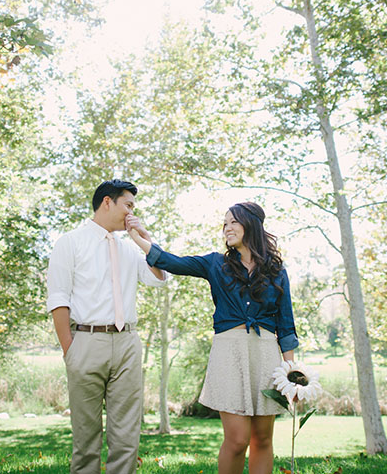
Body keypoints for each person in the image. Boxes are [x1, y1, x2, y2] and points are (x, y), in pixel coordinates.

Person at [127, 201, 298, 474]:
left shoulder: (276, 271)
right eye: (225, 223)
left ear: (251, 224)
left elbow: (286, 326)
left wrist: (292, 375)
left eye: (233, 222)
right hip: (228, 354)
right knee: (238, 439)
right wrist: (141, 241)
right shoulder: (215, 264)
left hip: (266, 355)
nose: (227, 228)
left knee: (263, 439)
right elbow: (174, 262)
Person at [47, 179, 167, 474]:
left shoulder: (129, 249)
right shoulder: (70, 242)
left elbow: (158, 278)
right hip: (86, 342)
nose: (132, 213)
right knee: (86, 438)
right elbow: (58, 298)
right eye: (128, 205)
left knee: (127, 437)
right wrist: (70, 350)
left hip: (127, 344)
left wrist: (143, 238)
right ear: (107, 202)